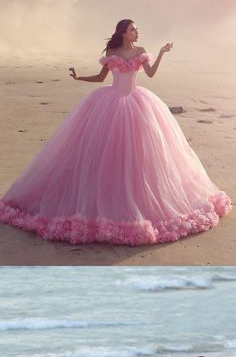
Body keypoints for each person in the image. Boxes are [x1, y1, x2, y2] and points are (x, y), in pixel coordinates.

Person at [0, 20, 231, 246]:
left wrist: (161, 52)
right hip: (109, 104)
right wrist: (79, 77)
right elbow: (101, 78)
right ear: (123, 32)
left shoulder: (141, 51)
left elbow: (150, 74)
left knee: (140, 155)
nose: (136, 32)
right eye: (132, 29)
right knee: (104, 153)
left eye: (137, 29)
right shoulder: (111, 51)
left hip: (137, 104)